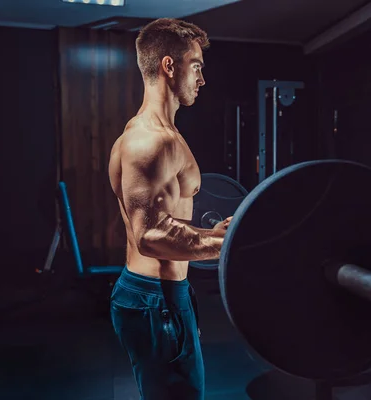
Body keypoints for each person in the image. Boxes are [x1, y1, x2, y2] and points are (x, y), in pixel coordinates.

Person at [107, 18, 232, 400]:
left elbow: (169, 219)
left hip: (165, 293)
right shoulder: (149, 142)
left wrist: (215, 234)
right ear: (168, 66)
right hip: (154, 298)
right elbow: (150, 235)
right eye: (196, 65)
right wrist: (228, 245)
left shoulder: (168, 135)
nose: (202, 78)